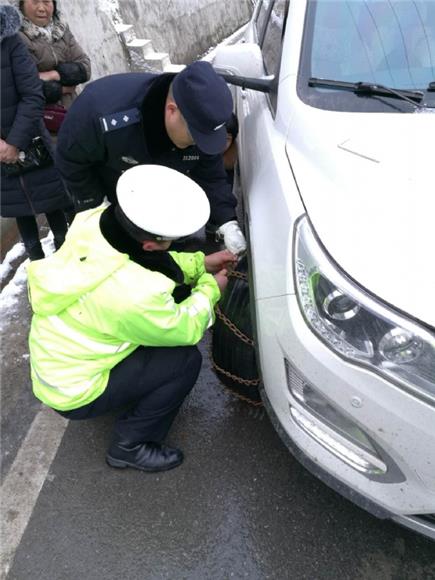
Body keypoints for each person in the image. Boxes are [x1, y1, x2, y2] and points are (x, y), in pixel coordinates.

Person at [27, 165, 238, 472]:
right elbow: (188, 327)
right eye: (169, 240)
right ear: (150, 244)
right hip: (73, 391)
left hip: (56, 360)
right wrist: (210, 287)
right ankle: (130, 445)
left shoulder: (94, 221)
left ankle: (128, 394)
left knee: (172, 300)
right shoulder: (135, 294)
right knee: (184, 362)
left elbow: (152, 261)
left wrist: (200, 264)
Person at [55, 60, 247, 255]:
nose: (198, 145)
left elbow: (211, 176)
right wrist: (96, 206)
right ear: (172, 110)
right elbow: (71, 161)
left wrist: (227, 221)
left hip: (162, 195)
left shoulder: (201, 120)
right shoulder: (103, 115)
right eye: (194, 137)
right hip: (110, 186)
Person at [0, 4, 70, 260]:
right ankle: (40, 280)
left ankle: (71, 273)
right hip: (1, 160)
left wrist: (13, 142)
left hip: (32, 143)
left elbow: (32, 94)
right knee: (25, 224)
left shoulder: (10, 42)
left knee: (57, 219)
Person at [15, 0, 91, 110]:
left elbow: (85, 67)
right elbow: (24, 84)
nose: (41, 8)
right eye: (35, 2)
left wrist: (54, 75)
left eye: (46, 1)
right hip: (37, 116)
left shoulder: (61, 29)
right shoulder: (15, 37)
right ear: (20, 4)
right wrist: (63, 88)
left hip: (72, 110)